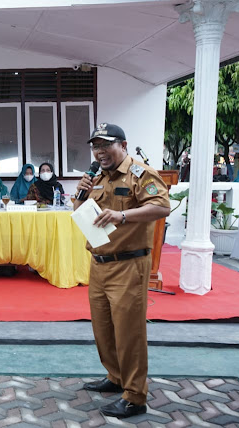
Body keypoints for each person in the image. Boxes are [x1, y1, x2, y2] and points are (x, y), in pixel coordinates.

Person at [74, 123, 170, 419]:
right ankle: (115, 378)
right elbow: (83, 215)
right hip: (100, 264)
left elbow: (162, 205)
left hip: (129, 264)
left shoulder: (140, 173)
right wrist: (80, 195)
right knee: (103, 329)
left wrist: (123, 215)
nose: (100, 151)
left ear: (124, 145)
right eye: (95, 146)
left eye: (106, 145)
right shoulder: (97, 178)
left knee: (129, 333)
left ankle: (134, 396)